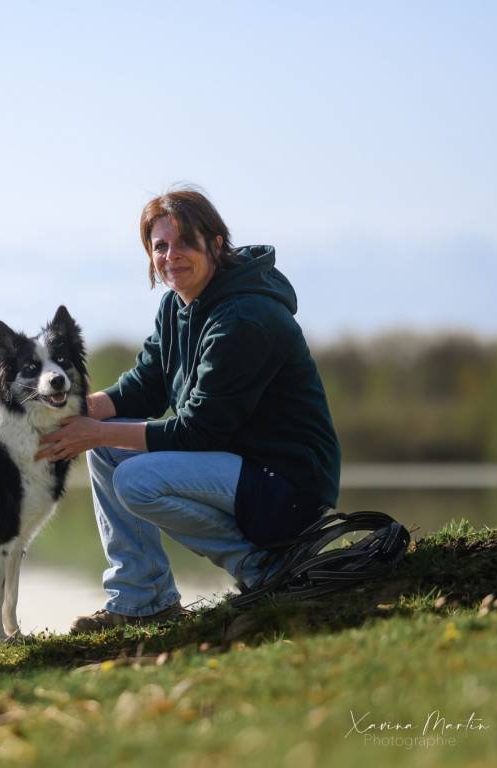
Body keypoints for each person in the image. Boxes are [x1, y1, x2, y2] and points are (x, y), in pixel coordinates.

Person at [35, 188, 341, 632]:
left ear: (215, 244)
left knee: (134, 478)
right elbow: (145, 386)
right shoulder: (177, 306)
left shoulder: (245, 317)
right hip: (238, 467)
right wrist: (67, 414)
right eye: (160, 246)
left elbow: (200, 431)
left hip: (287, 485)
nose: (171, 256)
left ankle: (267, 569)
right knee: (106, 451)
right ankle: (141, 600)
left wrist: (95, 432)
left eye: (184, 243)